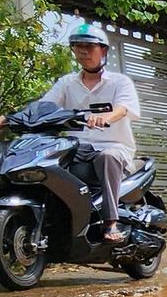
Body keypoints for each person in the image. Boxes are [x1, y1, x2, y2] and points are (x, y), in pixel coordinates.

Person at [43, 22, 140, 242]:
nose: (83, 51)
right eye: (78, 47)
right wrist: (10, 118)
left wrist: (106, 117)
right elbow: (44, 106)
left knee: (108, 157)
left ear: (103, 50)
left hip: (112, 146)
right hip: (76, 148)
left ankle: (110, 222)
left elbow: (122, 109)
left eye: (89, 46)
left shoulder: (119, 82)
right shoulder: (66, 83)